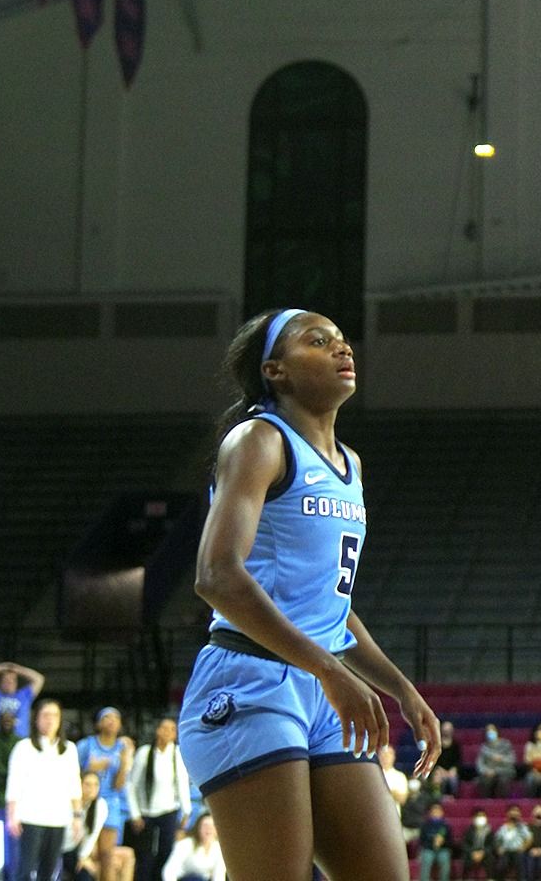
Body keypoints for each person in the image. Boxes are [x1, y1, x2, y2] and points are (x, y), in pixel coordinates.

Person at [176, 309, 440, 880]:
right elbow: (216, 576)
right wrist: (331, 670)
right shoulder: (259, 439)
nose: (342, 350)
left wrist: (399, 688)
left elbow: (331, 609)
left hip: (318, 686)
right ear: (276, 371)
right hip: (249, 679)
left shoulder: (351, 466)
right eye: (318, 342)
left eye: (343, 341)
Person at [6, 697, 82, 881]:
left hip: (58, 818)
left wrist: (77, 817)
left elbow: (74, 785)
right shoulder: (23, 747)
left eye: (55, 715)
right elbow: (14, 783)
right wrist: (11, 815)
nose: (50, 720)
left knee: (48, 872)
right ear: (36, 718)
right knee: (25, 871)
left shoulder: (69, 749)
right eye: (46, 715)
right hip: (30, 818)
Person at [127, 717, 193, 881]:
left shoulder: (177, 754)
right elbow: (131, 785)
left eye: (172, 729)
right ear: (157, 730)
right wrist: (135, 814)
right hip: (146, 813)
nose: (168, 732)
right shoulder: (144, 753)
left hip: (169, 811)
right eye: (164, 728)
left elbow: (182, 783)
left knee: (166, 853)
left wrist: (186, 811)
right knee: (145, 857)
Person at [76, 706, 135, 876]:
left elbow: (119, 785)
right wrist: (90, 768)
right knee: (90, 853)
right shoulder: (86, 745)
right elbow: (71, 773)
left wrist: (124, 763)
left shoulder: (123, 748)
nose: (111, 721)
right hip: (87, 802)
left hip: (111, 804)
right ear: (98, 723)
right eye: (107, 717)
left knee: (108, 855)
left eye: (116, 718)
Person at [64, 770, 114, 879]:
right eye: (87, 784)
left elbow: (93, 835)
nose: (92, 789)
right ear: (79, 785)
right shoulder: (68, 801)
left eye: (96, 785)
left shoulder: (100, 806)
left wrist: (83, 857)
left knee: (86, 873)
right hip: (55, 848)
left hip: (73, 850)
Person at [0, 661, 45, 737]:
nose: (9, 682)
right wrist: (1, 667)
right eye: (6, 680)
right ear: (0, 683)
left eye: (12, 680)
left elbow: (39, 679)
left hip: (19, 743)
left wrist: (18, 669)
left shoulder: (24, 696)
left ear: (16, 683)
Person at [161, 813, 226, 881]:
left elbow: (219, 875)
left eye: (213, 826)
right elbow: (169, 871)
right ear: (198, 828)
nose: (209, 829)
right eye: (205, 826)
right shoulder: (185, 844)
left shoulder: (219, 848)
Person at [474, 725, 516, 798]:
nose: (490, 732)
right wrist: (486, 771)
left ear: (497, 731)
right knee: (485, 780)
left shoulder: (506, 744)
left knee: (502, 781)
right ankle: (486, 802)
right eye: (488, 730)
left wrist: (501, 759)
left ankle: (502, 803)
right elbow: (479, 763)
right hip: (488, 772)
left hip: (504, 771)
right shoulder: (483, 747)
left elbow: (512, 760)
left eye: (492, 730)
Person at [493, 805, 533, 878]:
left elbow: (529, 838)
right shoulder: (503, 828)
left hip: (518, 851)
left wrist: (523, 847)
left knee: (520, 862)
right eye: (513, 810)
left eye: (517, 811)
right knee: (501, 865)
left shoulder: (522, 826)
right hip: (506, 851)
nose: (514, 813)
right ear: (508, 814)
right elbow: (497, 840)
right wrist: (498, 848)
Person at [419, 800, 455, 881]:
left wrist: (442, 842)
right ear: (430, 813)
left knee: (445, 859)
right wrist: (432, 842)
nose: (436, 813)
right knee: (426, 858)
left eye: (438, 811)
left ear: (442, 812)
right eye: (434, 811)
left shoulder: (446, 826)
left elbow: (451, 842)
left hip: (443, 849)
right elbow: (422, 840)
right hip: (429, 849)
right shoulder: (425, 825)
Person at [432, 721, 465, 797]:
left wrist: (454, 769)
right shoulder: (436, 745)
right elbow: (433, 760)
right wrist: (439, 770)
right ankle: (438, 798)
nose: (447, 732)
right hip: (439, 770)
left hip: (451, 771)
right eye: (445, 730)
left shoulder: (456, 745)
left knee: (453, 779)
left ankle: (453, 796)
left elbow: (458, 760)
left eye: (448, 730)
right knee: (437, 778)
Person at [460, 809, 494, 879]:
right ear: (474, 818)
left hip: (484, 852)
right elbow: (464, 844)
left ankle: (490, 878)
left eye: (482, 816)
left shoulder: (489, 830)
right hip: (471, 852)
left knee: (491, 859)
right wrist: (472, 852)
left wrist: (483, 852)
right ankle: (465, 878)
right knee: (466, 859)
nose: (481, 818)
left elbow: (491, 845)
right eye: (478, 816)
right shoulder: (468, 830)